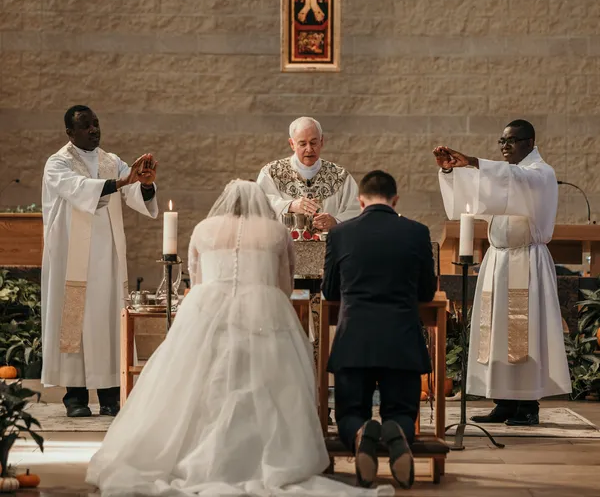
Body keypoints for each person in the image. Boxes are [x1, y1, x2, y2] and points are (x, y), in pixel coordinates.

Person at [86, 180, 393, 497]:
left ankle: (190, 452)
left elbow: (198, 278)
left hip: (207, 311)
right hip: (264, 313)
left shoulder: (205, 230)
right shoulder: (276, 232)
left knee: (196, 384)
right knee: (266, 385)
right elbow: (284, 284)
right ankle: (263, 457)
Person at [433, 119, 571, 426]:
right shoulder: (507, 175)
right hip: (497, 261)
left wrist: (472, 161)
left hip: (527, 262)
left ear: (530, 142)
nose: (504, 146)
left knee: (525, 334)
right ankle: (504, 401)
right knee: (496, 332)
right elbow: (478, 195)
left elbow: (513, 179)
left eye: (511, 140)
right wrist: (452, 171)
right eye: (501, 141)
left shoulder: (541, 174)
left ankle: (528, 405)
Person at [41, 105, 158, 418]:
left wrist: (144, 183)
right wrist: (122, 183)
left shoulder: (111, 161)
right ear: (70, 133)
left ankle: (110, 396)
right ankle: (75, 399)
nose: (94, 130)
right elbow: (79, 190)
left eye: (96, 124)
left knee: (107, 322)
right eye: (86, 126)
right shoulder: (58, 163)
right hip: (71, 261)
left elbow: (132, 191)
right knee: (74, 324)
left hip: (106, 258)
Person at [322, 170, 436, 490]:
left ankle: (360, 433)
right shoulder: (416, 232)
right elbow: (426, 292)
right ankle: (396, 432)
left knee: (349, 413)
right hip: (401, 341)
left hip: (353, 341)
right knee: (401, 411)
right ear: (395, 200)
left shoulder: (340, 234)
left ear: (360, 201)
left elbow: (330, 292)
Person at [257, 116, 360, 231]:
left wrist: (336, 221)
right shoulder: (272, 173)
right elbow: (259, 205)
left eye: (313, 142)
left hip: (330, 247)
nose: (309, 149)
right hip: (285, 247)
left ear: (321, 142)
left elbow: (356, 210)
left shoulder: (340, 176)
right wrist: (290, 206)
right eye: (302, 144)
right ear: (292, 144)